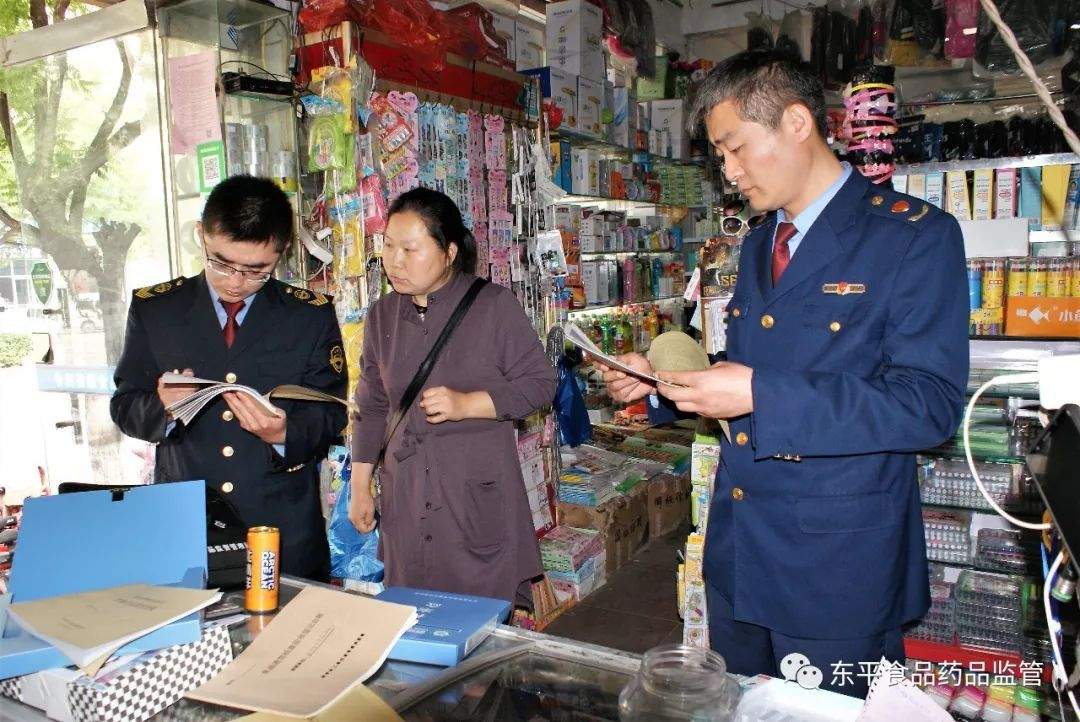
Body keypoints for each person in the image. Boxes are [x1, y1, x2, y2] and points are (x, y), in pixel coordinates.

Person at [598, 50, 968, 697]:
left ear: (798, 123)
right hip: (743, 553)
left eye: (736, 148)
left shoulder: (912, 237)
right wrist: (659, 388)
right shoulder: (761, 243)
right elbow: (748, 376)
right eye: (719, 157)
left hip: (836, 569)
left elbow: (929, 404)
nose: (729, 173)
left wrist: (757, 392)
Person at [110, 175, 347, 581]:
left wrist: (284, 432)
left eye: (257, 270)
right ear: (202, 235)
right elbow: (125, 405)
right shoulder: (157, 310)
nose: (235, 282)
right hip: (188, 526)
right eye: (221, 263)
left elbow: (331, 416)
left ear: (282, 252)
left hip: (281, 532)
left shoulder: (309, 316)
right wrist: (164, 407)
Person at [348, 187, 556, 604]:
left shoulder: (493, 306)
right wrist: (359, 486)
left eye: (410, 248)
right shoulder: (382, 316)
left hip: (473, 499)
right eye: (388, 247)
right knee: (413, 619)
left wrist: (469, 404)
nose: (395, 261)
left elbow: (540, 382)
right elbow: (372, 406)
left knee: (480, 626)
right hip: (406, 498)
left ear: (449, 252)